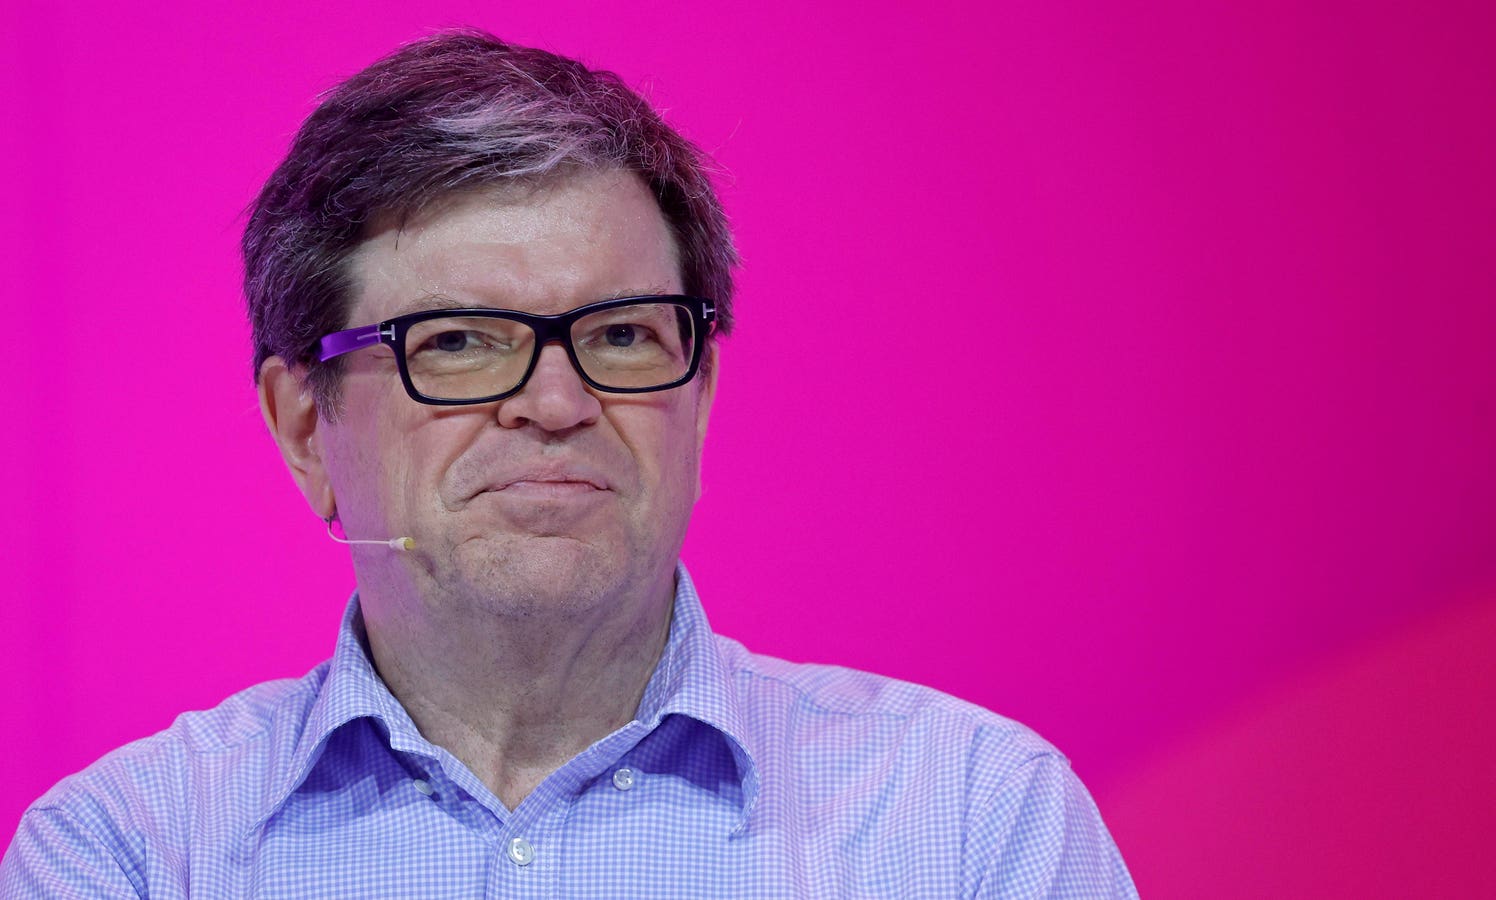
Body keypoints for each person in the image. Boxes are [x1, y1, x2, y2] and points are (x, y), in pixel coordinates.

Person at [0, 29, 1136, 898]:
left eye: (623, 335)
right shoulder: (137, 853)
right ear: (305, 427)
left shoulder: (967, 820)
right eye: (456, 343)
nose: (556, 403)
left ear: (699, 395)